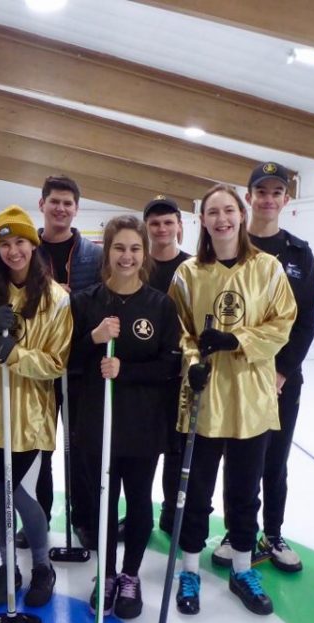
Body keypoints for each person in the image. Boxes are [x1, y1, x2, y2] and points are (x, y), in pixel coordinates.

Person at [168, 185, 296, 617]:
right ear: (202, 221)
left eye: (228, 211)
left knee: (244, 490)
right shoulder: (188, 274)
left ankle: (242, 567)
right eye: (212, 213)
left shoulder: (268, 268)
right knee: (196, 491)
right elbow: (179, 328)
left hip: (250, 398)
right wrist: (192, 360)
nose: (221, 219)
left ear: (241, 216)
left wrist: (237, 339)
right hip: (204, 397)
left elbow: (282, 324)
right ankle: (189, 568)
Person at [70, 215, 180, 619]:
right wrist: (92, 340)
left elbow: (170, 365)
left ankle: (130, 574)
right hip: (97, 423)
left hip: (142, 425)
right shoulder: (85, 302)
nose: (127, 256)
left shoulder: (160, 304)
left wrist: (125, 371)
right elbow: (65, 360)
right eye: (119, 248)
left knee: (137, 503)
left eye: (135, 248)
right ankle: (108, 572)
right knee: (102, 503)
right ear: (107, 252)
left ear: (144, 253)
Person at [0, 205, 72, 608]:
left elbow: (57, 362)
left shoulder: (57, 300)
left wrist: (17, 354)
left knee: (24, 495)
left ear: (33, 244)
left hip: (31, 414)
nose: (13, 251)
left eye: (20, 242)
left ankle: (42, 565)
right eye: (4, 244)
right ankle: (8, 565)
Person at [212, 163, 314, 573]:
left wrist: (283, 371)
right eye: (262, 191)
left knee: (274, 460)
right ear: (249, 197)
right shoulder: (231, 247)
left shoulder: (297, 252)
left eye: (277, 192)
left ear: (286, 200)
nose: (268, 199)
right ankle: (236, 530)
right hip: (236, 376)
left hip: (279, 379)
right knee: (237, 459)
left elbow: (305, 318)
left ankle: (272, 532)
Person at [19, 175, 102, 550]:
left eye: (68, 203)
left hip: (81, 366)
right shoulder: (25, 251)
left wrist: (75, 300)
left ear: (76, 209)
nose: (61, 208)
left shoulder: (94, 256)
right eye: (54, 201)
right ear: (42, 204)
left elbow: (104, 302)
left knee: (82, 448)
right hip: (39, 367)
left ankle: (84, 518)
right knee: (40, 449)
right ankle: (39, 519)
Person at [143, 196, 191, 536]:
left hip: (181, 375)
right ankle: (138, 513)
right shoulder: (136, 265)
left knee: (177, 447)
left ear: (179, 226)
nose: (161, 229)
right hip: (143, 375)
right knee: (142, 449)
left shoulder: (193, 268)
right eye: (155, 224)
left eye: (167, 222)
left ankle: (173, 511)